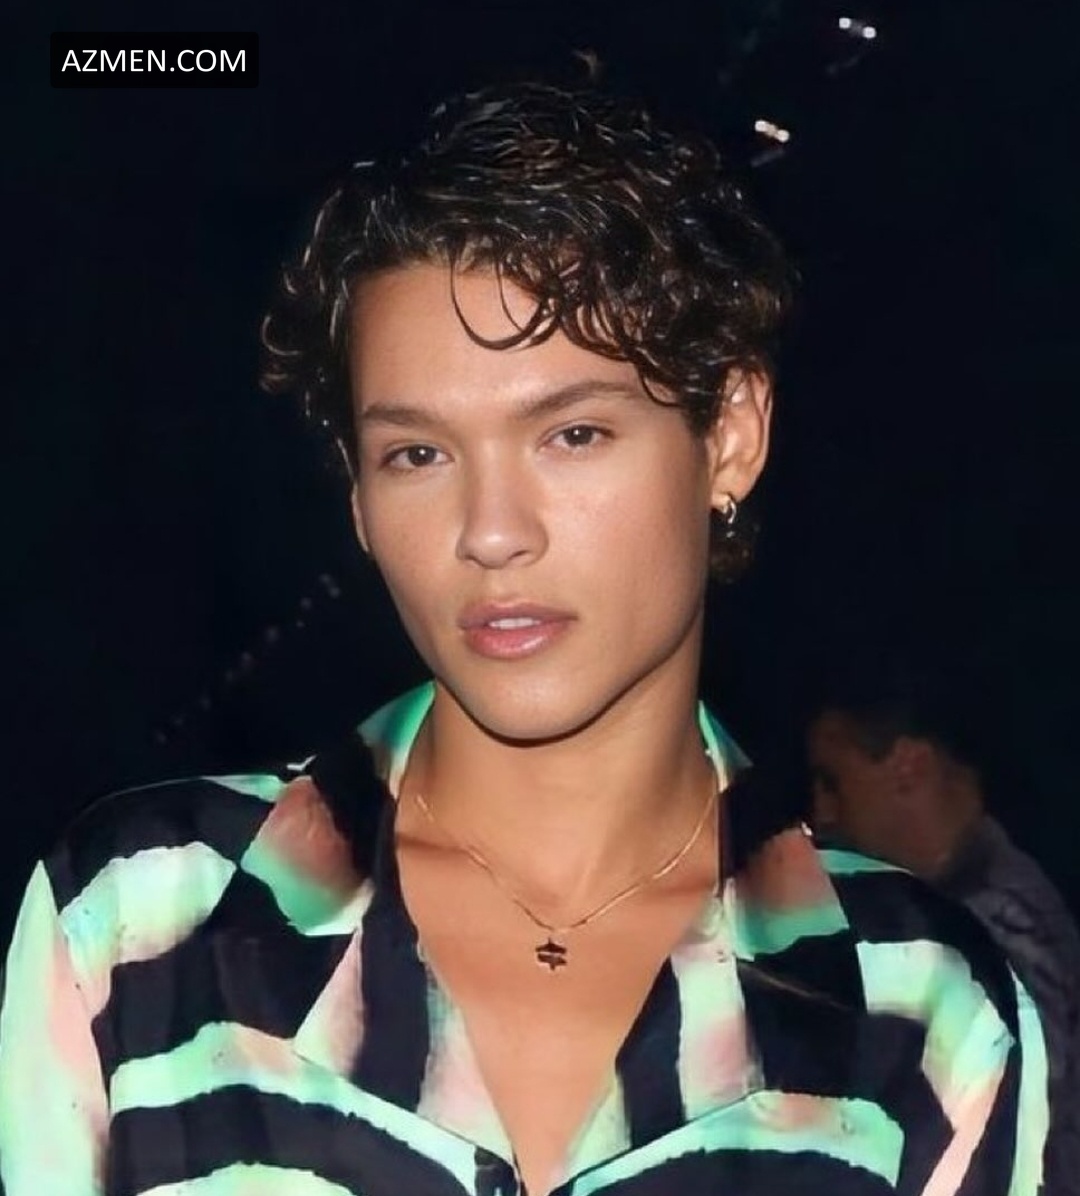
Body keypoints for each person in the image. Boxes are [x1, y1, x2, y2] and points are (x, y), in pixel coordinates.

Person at [0, 82, 1049, 1196]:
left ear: (731, 437)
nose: (492, 531)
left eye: (574, 432)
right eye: (417, 454)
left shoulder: (922, 1008)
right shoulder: (139, 924)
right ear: (358, 496)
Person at [807, 665, 1080, 1194]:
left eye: (832, 782)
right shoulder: (975, 911)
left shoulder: (1000, 932)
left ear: (909, 766)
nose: (821, 814)